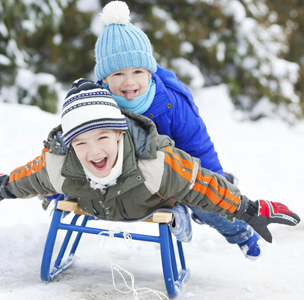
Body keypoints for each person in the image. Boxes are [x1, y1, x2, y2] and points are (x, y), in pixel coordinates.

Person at [0, 79, 300, 248]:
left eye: (102, 137)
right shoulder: (60, 163)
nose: (93, 150)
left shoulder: (155, 162)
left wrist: (249, 209)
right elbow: (28, 177)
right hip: (98, 204)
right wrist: (2, 186)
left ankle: (186, 219)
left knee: (195, 197)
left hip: (150, 200)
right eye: (81, 142)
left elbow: (204, 186)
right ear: (70, 144)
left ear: (119, 135)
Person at [93, 1, 260, 258]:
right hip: (129, 182)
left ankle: (240, 232)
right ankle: (177, 209)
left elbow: (198, 145)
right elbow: (78, 146)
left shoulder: (171, 103)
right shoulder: (96, 105)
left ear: (149, 72)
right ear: (104, 78)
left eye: (137, 71)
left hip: (178, 174)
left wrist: (217, 185)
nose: (128, 82)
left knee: (204, 196)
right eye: (118, 74)